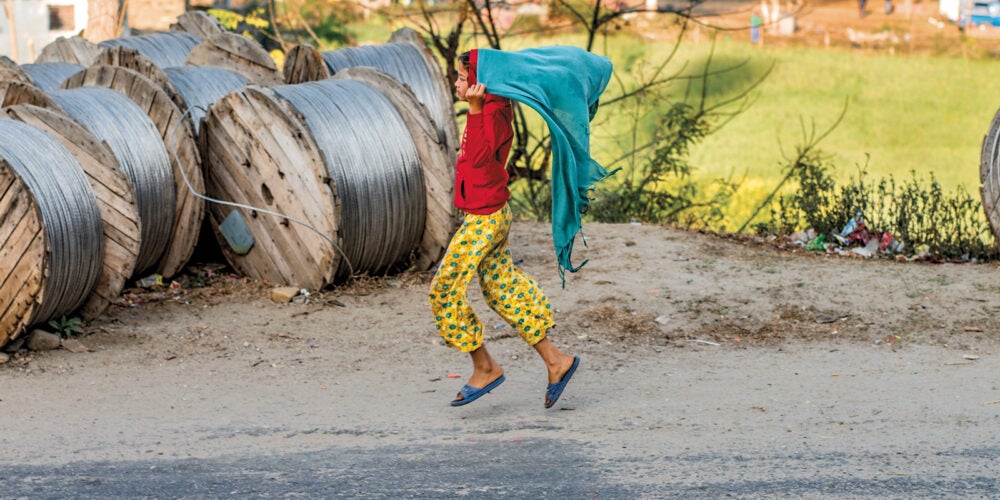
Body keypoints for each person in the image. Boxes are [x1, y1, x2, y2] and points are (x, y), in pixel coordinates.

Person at [428, 50, 579, 408]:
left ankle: (485, 367)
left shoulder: (491, 115)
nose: (457, 83)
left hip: (485, 218)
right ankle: (557, 361)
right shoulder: (491, 110)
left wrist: (476, 111)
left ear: (481, 84)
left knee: (445, 289)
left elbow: (479, 161)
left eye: (463, 78)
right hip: (486, 213)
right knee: (500, 289)